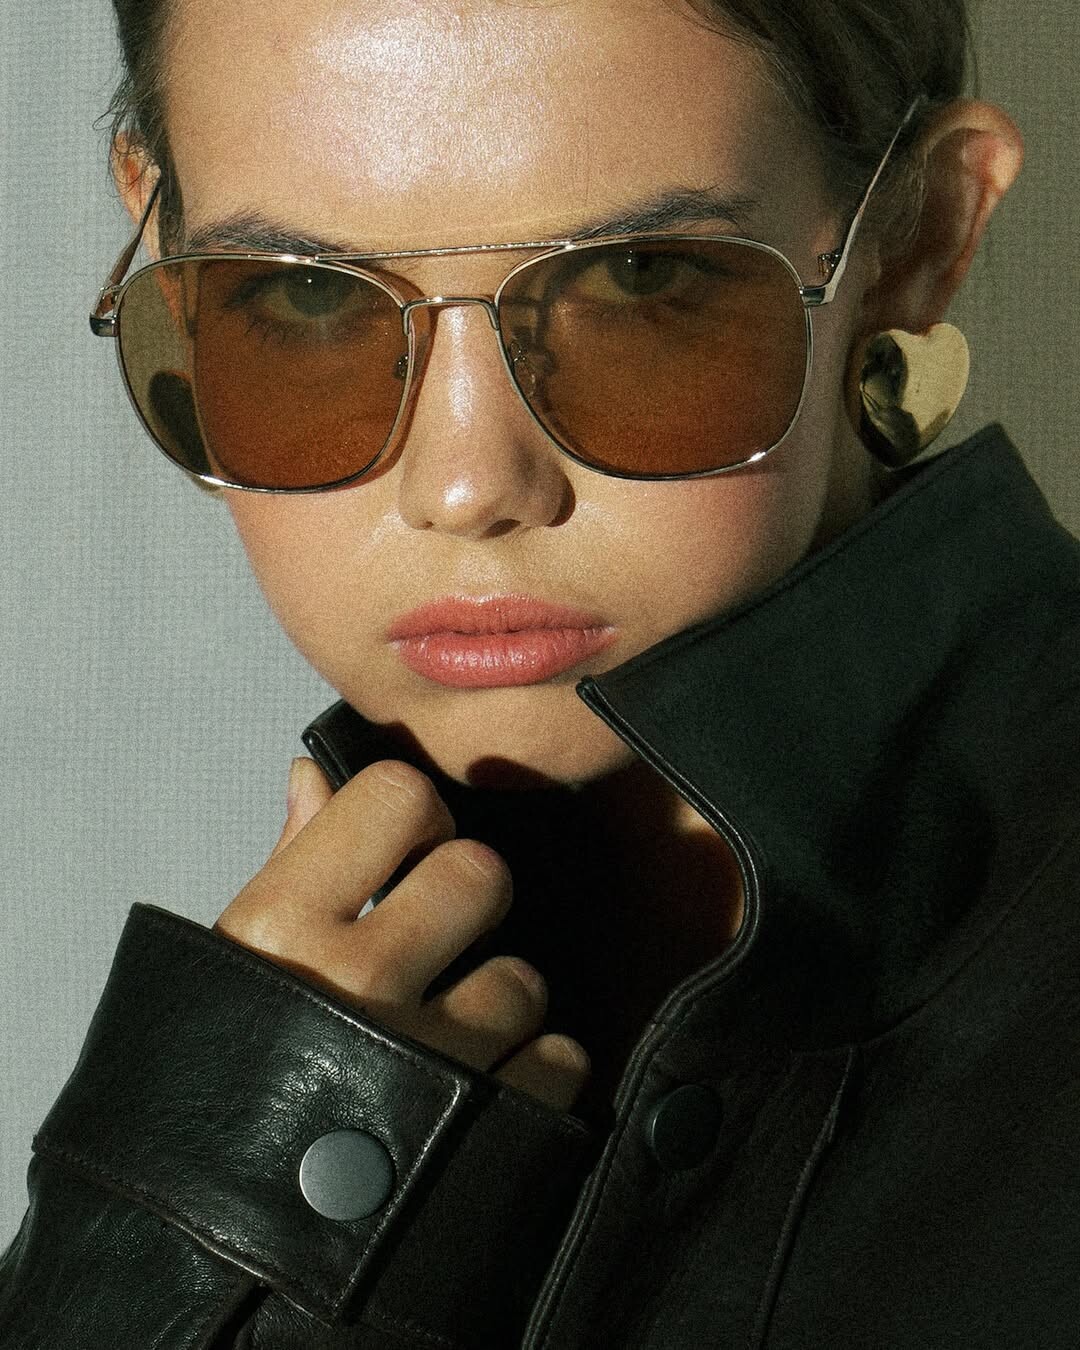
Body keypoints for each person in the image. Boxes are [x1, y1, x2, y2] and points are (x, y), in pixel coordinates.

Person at [2, 0, 1077, 1345]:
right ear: (162, 246)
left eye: (637, 278)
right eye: (307, 292)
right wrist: (208, 1219)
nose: (465, 486)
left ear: (917, 235)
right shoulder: (291, 1016)